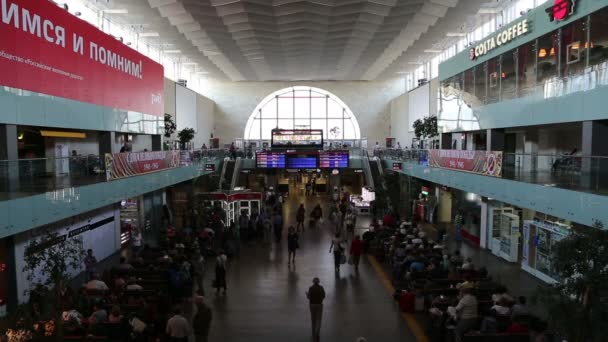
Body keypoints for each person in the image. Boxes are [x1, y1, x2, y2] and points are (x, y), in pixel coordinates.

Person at [306, 277, 326, 342]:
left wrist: (307, 294)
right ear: (318, 282)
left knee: (313, 318)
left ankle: (313, 331)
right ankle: (317, 332)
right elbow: (324, 296)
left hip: (312, 305)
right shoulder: (321, 288)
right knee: (319, 319)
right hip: (319, 305)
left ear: (313, 282)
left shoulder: (311, 288)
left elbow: (309, 297)